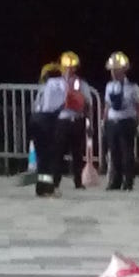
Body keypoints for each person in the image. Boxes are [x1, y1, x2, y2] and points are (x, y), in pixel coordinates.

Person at [103, 51, 139, 191]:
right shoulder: (109, 86)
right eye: (112, 70)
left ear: (123, 70)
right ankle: (116, 181)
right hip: (112, 122)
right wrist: (104, 121)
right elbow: (107, 105)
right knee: (114, 153)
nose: (113, 72)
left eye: (116, 69)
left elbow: (138, 107)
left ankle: (128, 181)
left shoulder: (132, 87)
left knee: (127, 153)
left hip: (127, 122)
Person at [55, 51, 93, 190]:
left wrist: (89, 123)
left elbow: (88, 105)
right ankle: (55, 181)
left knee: (77, 154)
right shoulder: (56, 84)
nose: (69, 69)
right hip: (61, 122)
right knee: (58, 153)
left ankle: (78, 181)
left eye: (72, 67)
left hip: (77, 121)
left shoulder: (82, 84)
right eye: (66, 66)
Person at [31, 62, 65, 196]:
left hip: (35, 118)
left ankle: (41, 187)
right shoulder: (56, 84)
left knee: (42, 158)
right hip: (47, 120)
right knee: (50, 158)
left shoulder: (43, 87)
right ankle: (49, 188)